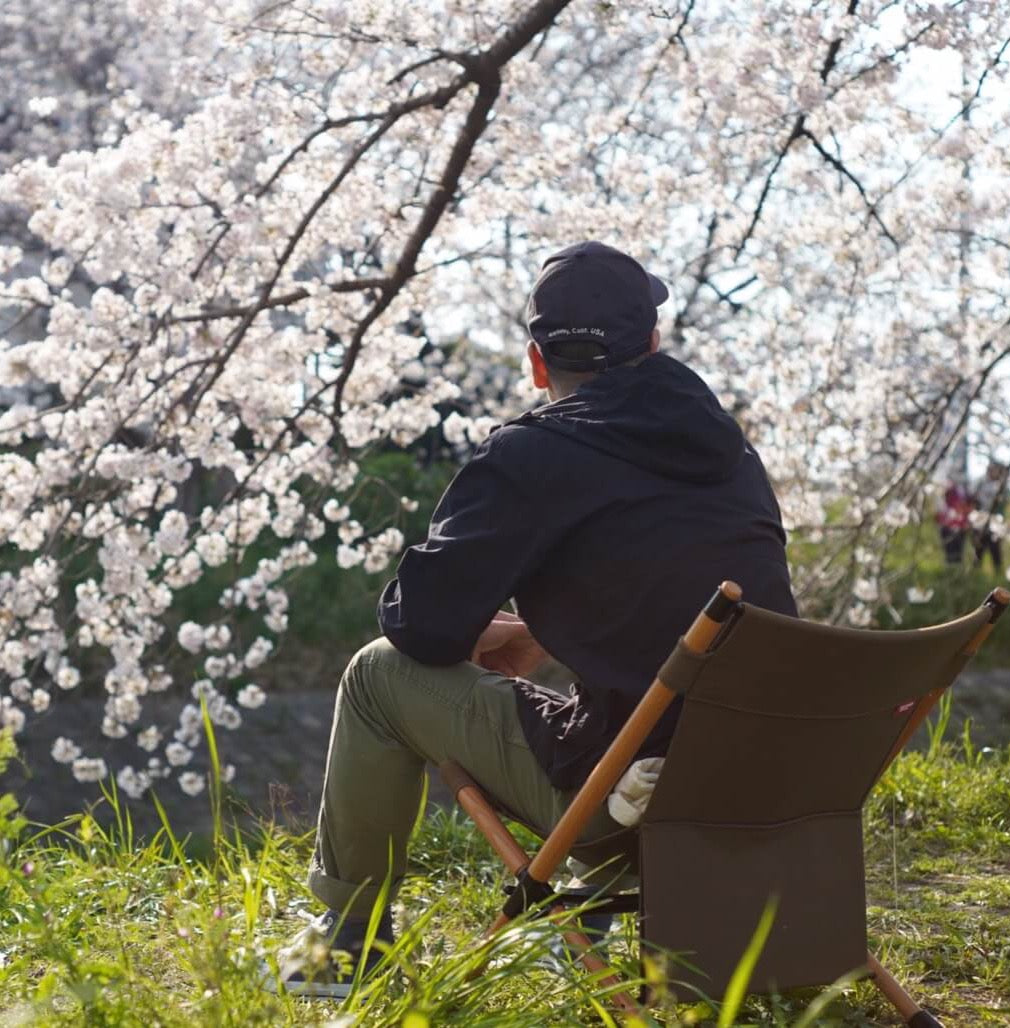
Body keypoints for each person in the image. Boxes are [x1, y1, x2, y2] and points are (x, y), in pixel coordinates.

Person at [266, 241, 797, 997]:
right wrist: (546, 629)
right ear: (652, 344)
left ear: (537, 364)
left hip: (634, 810)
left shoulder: (533, 453)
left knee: (376, 676)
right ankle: (589, 921)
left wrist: (484, 623)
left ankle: (347, 946)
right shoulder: (730, 453)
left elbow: (420, 630)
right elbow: (682, 592)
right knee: (635, 717)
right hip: (774, 796)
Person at [972, 459, 1008, 572]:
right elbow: (975, 502)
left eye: (995, 469)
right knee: (978, 551)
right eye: (991, 469)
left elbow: (1002, 506)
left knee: (995, 552)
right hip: (980, 523)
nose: (992, 471)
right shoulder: (981, 483)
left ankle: (998, 575)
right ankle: (975, 574)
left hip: (995, 525)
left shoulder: (1001, 486)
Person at [935, 479, 973, 565]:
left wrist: (966, 522)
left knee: (958, 552)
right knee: (948, 551)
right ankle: (950, 569)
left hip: (960, 526)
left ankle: (956, 570)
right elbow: (939, 507)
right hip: (946, 525)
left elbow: (968, 506)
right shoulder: (946, 487)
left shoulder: (964, 490)